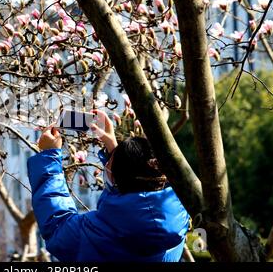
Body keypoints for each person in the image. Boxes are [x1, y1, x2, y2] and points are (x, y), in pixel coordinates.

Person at [26, 109, 190, 262]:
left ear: (117, 179)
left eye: (111, 164)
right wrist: (114, 151)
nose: (106, 167)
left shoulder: (98, 234)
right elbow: (138, 196)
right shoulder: (178, 220)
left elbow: (58, 228)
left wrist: (49, 158)